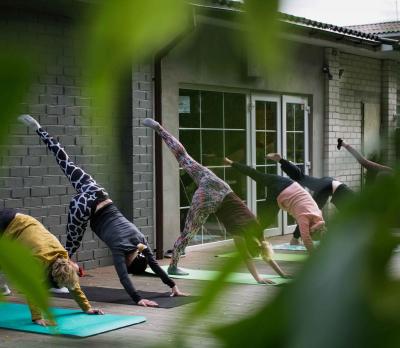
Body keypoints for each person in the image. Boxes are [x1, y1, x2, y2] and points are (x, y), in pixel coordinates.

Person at [18, 115, 186, 308]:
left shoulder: (141, 240)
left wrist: (172, 285)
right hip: (83, 209)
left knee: (65, 162)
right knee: (67, 251)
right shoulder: (119, 250)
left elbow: (155, 265)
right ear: (130, 262)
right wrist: (138, 299)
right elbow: (124, 278)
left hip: (98, 194)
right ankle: (52, 282)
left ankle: (40, 129)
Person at [143, 118, 288, 283]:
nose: (257, 245)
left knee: (185, 158)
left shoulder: (256, 231)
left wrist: (275, 275)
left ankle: (159, 129)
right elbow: (255, 256)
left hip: (219, 187)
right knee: (188, 232)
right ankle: (173, 266)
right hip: (212, 196)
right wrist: (264, 277)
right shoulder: (243, 235)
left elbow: (261, 254)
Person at [0, 208, 103, 326]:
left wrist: (87, 308)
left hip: (22, 220)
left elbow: (73, 285)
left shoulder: (64, 259)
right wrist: (37, 318)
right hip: (6, 225)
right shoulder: (38, 261)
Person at [225, 158, 326, 252]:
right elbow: (306, 238)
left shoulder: (318, 213)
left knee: (255, 174)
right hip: (280, 193)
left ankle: (230, 162)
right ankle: (251, 239)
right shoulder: (305, 218)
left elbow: (318, 226)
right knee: (267, 220)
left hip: (287, 182)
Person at [266, 153, 355, 245]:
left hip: (330, 183)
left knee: (302, 178)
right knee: (308, 212)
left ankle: (282, 160)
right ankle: (295, 239)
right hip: (328, 187)